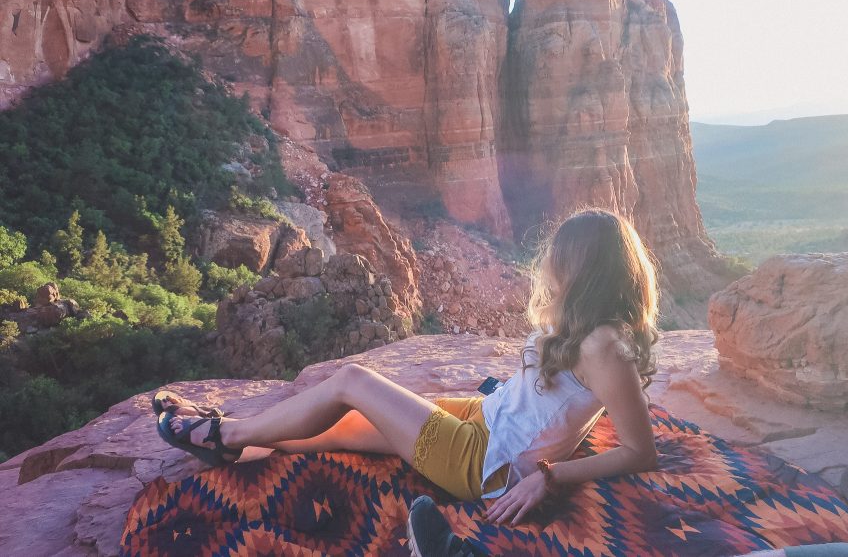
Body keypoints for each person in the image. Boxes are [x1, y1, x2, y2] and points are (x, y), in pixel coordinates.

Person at [156, 208, 661, 530]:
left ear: (584, 268)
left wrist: (550, 476)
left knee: (353, 381)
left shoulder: (604, 346)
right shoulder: (593, 326)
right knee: (348, 427)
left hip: (486, 463)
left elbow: (641, 453)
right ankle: (237, 438)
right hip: (484, 420)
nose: (552, 265)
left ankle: (225, 434)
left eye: (561, 257)